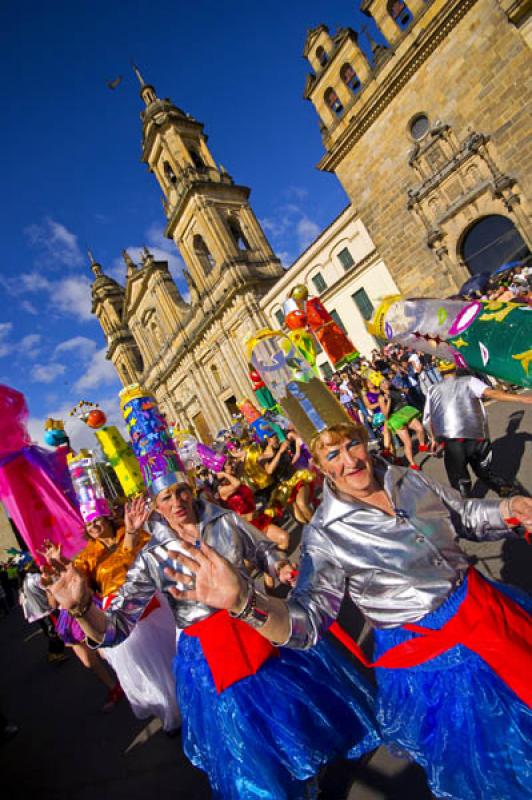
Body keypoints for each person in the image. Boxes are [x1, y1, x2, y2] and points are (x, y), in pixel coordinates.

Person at [171, 422, 532, 800]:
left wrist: (510, 508)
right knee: (503, 764)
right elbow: (307, 622)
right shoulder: (325, 533)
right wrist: (245, 604)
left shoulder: (406, 478)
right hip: (439, 666)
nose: (349, 461)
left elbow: (463, 516)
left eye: (352, 445)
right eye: (332, 455)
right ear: (321, 467)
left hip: (493, 613)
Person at [47, 469, 380, 800]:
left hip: (258, 621)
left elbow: (263, 549)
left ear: (190, 491)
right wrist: (80, 609)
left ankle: (306, 774)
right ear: (156, 505)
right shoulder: (152, 557)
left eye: (181, 491)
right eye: (166, 496)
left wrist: (279, 567)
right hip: (209, 654)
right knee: (247, 736)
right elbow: (115, 627)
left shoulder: (224, 520)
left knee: (294, 711)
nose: (177, 501)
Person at [423, 367, 532, 497]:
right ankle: (513, 497)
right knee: (486, 473)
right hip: (478, 438)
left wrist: (433, 438)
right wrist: (522, 399)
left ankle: (467, 512)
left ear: (439, 372)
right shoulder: (470, 381)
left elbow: (427, 419)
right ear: (455, 368)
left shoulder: (433, 390)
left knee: (459, 481)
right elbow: (492, 393)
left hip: (453, 441)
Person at [379, 378, 429, 470]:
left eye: (386, 380)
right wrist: (389, 401)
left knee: (420, 429)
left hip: (406, 413)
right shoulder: (382, 397)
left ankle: (422, 445)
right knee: (408, 443)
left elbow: (406, 390)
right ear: (380, 386)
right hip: (396, 419)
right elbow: (385, 415)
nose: (386, 382)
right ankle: (413, 463)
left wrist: (405, 390)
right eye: (383, 382)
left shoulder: (395, 390)